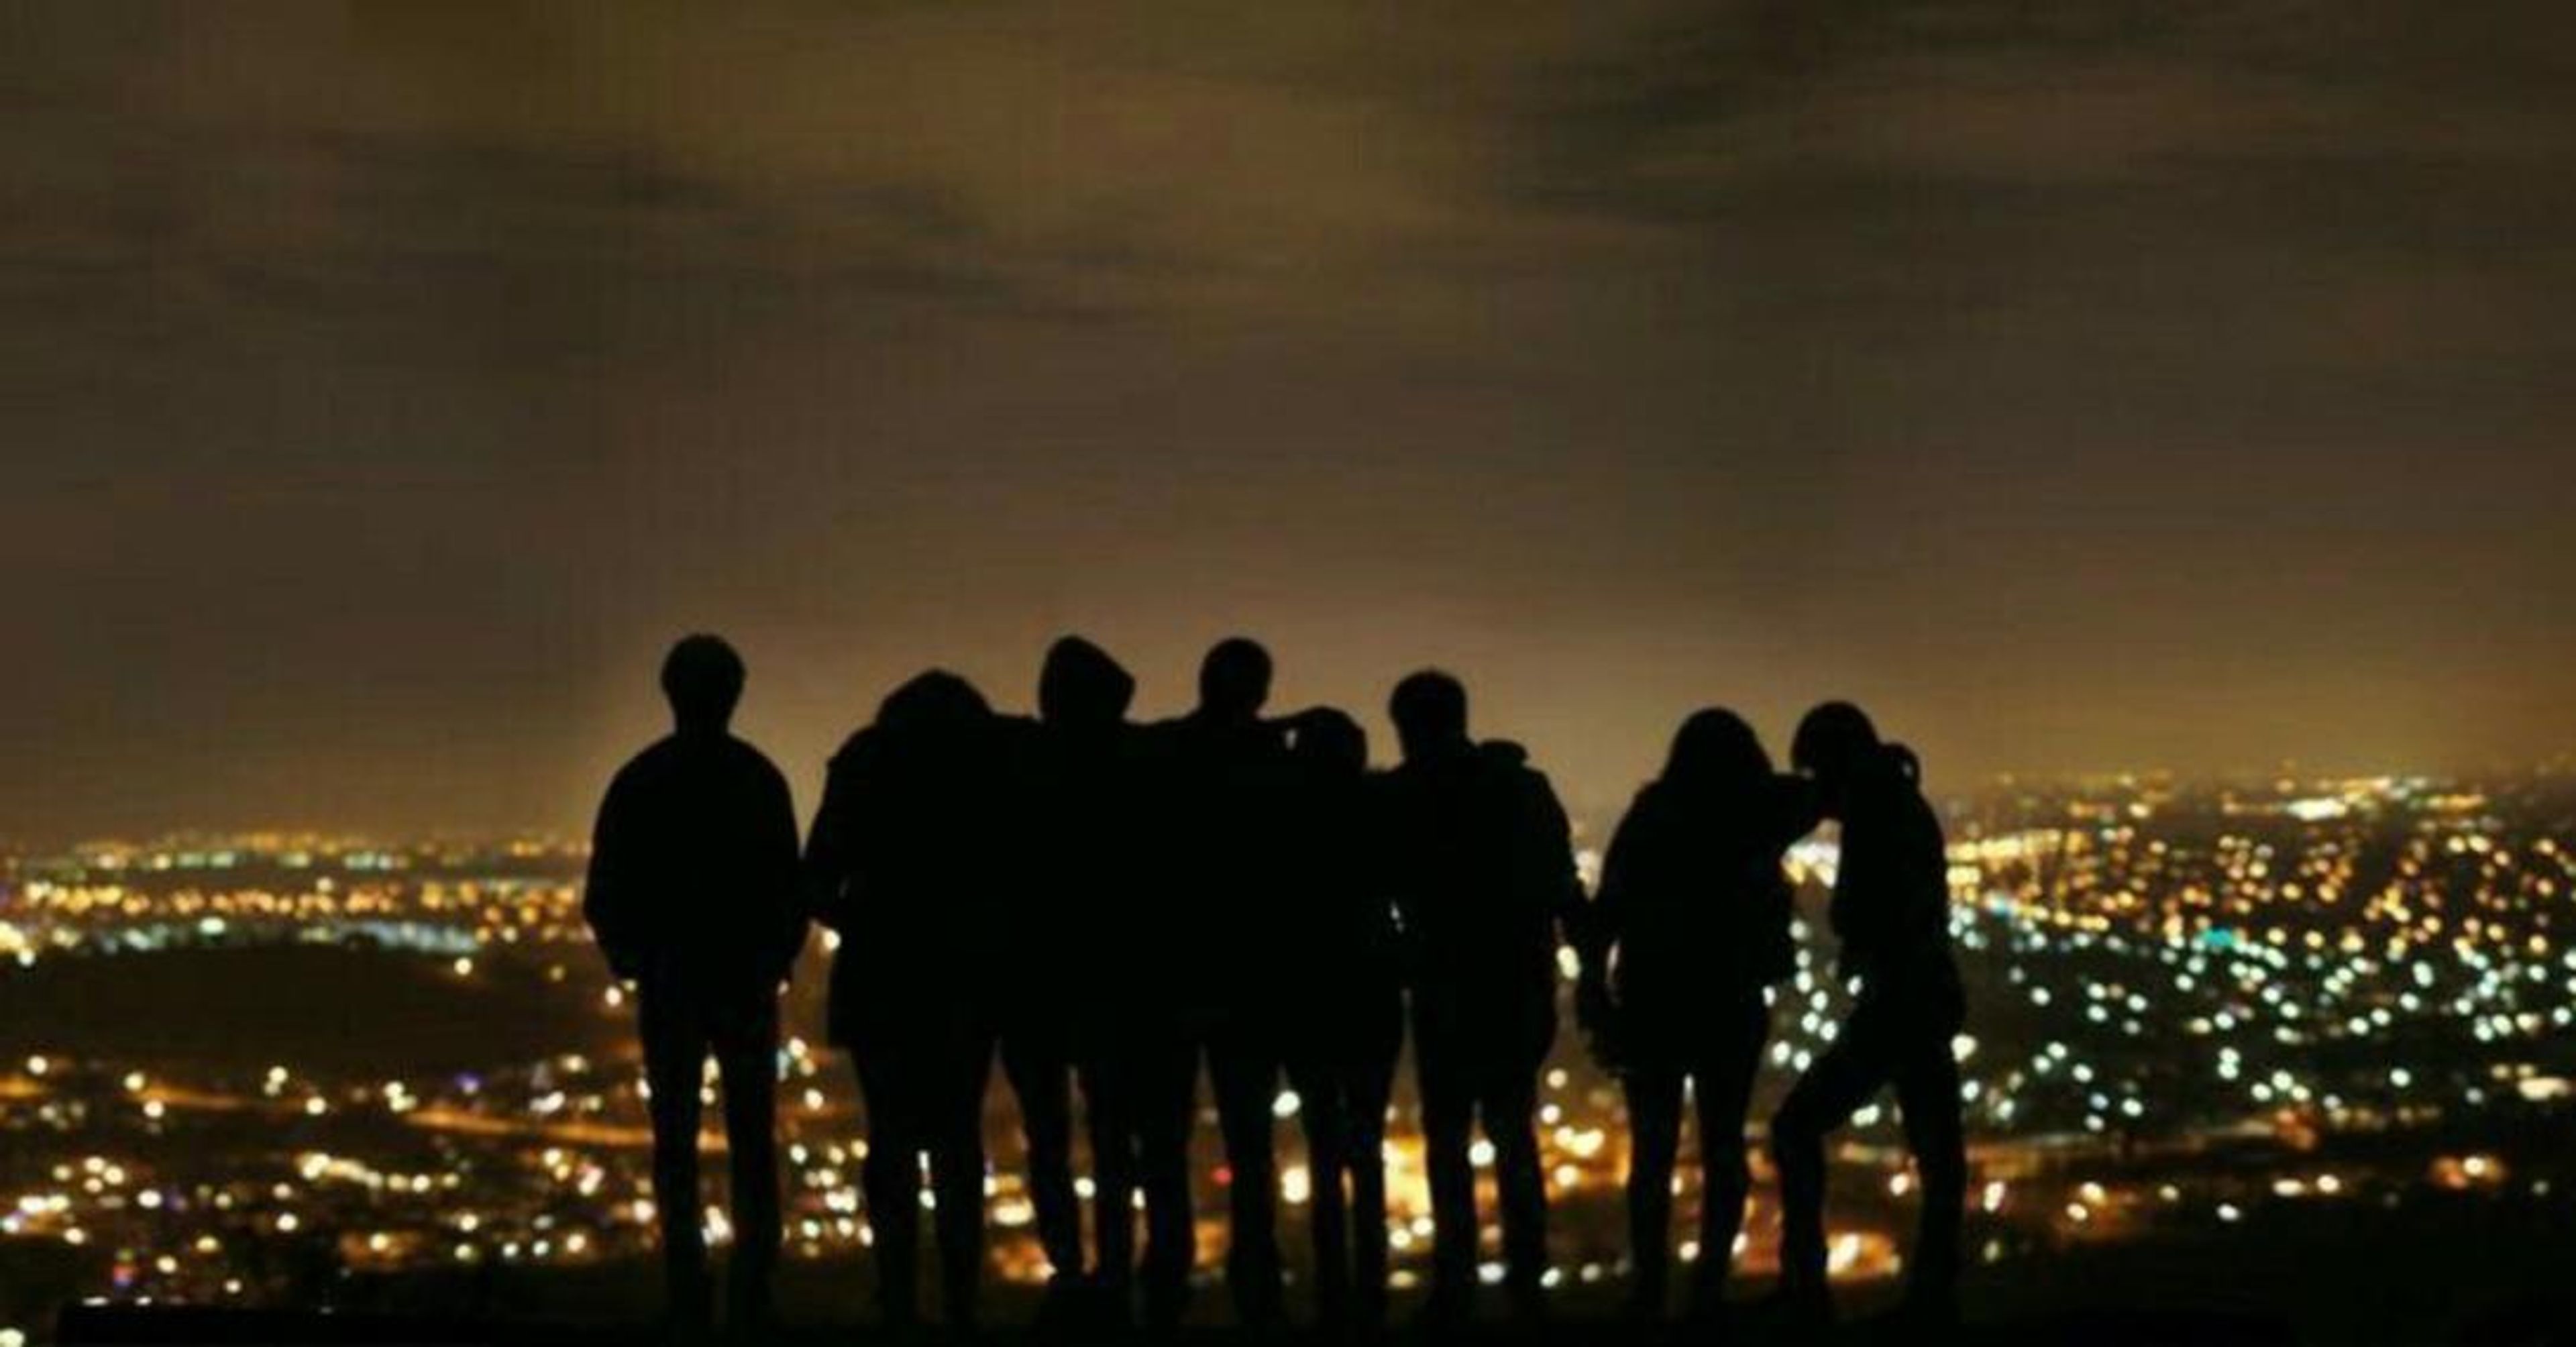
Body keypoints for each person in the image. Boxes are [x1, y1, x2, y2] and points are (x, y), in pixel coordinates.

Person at [582, 635, 804, 1334]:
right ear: (734, 694)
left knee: (673, 1139)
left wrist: (636, 960)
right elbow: (788, 892)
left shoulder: (640, 780)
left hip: (673, 983)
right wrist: (770, 961)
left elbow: (604, 892)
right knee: (752, 1138)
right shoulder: (758, 779)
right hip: (742, 984)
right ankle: (755, 1289)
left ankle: (687, 1287)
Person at [1578, 710, 1815, 1327]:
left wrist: (1593, 991)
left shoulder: (1651, 817)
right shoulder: (1757, 816)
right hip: (1728, 1002)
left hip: (1653, 1001)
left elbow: (1607, 911)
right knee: (1723, 1145)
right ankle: (1708, 1288)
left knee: (1652, 1152)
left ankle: (1649, 1293)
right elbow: (1815, 793)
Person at [1377, 669, 1585, 1326]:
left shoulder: (1404, 797)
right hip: (1516, 985)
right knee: (1512, 1135)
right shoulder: (1520, 789)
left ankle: (1455, 1289)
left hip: (1445, 989)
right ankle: (1527, 1288)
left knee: (1447, 1140)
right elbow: (1561, 886)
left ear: (1408, 728)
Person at [802, 671, 1006, 1328]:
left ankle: (896, 1296)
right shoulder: (986, 766)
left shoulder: (864, 764)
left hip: (881, 977)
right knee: (956, 1139)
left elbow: (817, 879)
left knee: (889, 1135)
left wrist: (866, 921)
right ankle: (960, 1298)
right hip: (962, 981)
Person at [1769, 702, 1967, 1332]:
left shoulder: (1879, 815)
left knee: (1796, 1128)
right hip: (1921, 996)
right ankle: (1931, 1296)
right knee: (1939, 1155)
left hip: (1901, 1000)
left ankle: (1808, 1292)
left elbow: (1868, 914)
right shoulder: (1895, 802)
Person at [1026, 635, 1199, 1330]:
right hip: (1151, 985)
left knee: (1085, 1140)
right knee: (1155, 1147)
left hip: (1078, 982)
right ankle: (1161, 1279)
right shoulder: (1152, 762)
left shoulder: (1036, 769)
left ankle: (1093, 1274)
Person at [1160, 637, 1297, 1327]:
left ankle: (1167, 1276)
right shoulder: (1274, 764)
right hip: (1251, 978)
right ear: (1262, 692)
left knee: (1165, 1139)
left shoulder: (1166, 756)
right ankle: (1257, 1279)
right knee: (1250, 1141)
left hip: (1179, 974)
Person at [1275, 708, 1404, 1328]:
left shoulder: (1285, 823)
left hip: (1306, 997)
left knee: (1324, 1152)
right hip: (1370, 995)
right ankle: (1371, 1291)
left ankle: (1332, 1294)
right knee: (1365, 1147)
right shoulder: (1381, 813)